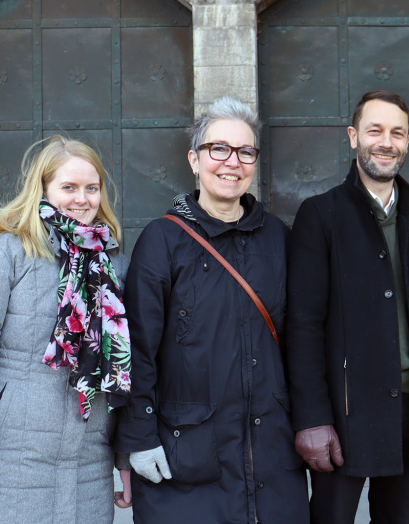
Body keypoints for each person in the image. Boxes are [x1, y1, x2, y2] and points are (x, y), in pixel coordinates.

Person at [114, 97, 308, 523]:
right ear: (194, 160)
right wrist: (138, 438)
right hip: (188, 454)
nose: (231, 162)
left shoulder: (278, 236)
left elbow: (301, 337)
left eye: (245, 152)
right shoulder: (162, 239)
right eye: (218, 149)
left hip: (271, 451)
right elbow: (138, 349)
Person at [0, 135, 132, 524]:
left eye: (92, 188)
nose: (82, 199)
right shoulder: (4, 256)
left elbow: (123, 374)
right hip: (11, 466)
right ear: (42, 190)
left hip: (88, 466)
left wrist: (125, 458)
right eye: (69, 187)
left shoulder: (113, 266)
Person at [287, 90, 409, 524]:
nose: (386, 141)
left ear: (407, 141)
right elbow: (304, 324)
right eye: (375, 130)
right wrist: (311, 417)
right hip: (344, 412)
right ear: (353, 137)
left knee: (395, 517)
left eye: (397, 133)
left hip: (408, 408)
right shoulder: (320, 215)